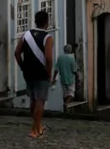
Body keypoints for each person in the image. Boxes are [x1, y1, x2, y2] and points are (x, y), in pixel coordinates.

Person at [14, 9, 54, 139]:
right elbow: (48, 58)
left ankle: (38, 127)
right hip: (41, 74)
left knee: (33, 100)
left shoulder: (26, 35)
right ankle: (33, 130)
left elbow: (17, 53)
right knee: (40, 101)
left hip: (28, 73)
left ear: (36, 22)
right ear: (46, 23)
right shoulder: (47, 38)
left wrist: (22, 67)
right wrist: (49, 72)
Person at [52, 44, 78, 110]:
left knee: (65, 94)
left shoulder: (60, 58)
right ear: (70, 50)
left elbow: (56, 70)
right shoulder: (72, 58)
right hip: (70, 79)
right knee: (71, 95)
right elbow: (74, 70)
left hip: (63, 79)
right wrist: (77, 76)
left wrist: (54, 78)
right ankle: (66, 104)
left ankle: (65, 108)